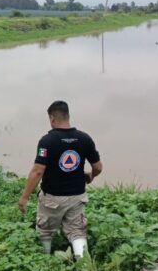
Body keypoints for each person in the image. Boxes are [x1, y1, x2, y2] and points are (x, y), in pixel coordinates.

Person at [18, 100, 103, 258]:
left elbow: (37, 171)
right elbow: (98, 167)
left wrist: (24, 197)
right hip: (77, 196)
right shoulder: (85, 139)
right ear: (68, 116)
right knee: (77, 232)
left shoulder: (47, 141)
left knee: (45, 231)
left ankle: (44, 262)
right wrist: (91, 176)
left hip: (52, 198)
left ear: (52, 119)